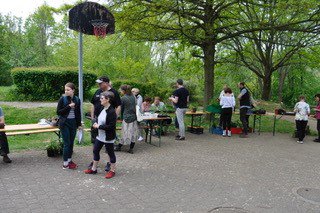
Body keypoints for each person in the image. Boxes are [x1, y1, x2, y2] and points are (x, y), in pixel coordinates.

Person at [89, 76, 121, 169]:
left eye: (100, 83)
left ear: (106, 83)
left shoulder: (114, 93)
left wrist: (114, 118)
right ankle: (94, 161)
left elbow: (118, 106)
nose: (98, 84)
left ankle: (109, 163)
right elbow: (93, 105)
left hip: (107, 122)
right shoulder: (97, 91)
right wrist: (92, 118)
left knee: (108, 146)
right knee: (95, 144)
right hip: (97, 121)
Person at [84, 92, 117, 179]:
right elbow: (100, 119)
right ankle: (94, 169)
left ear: (108, 99)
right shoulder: (102, 108)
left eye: (102, 98)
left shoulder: (112, 112)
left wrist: (99, 126)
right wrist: (96, 123)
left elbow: (111, 126)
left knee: (110, 153)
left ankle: (112, 170)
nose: (100, 99)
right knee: (95, 150)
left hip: (108, 137)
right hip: (100, 136)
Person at [57, 82, 82, 169]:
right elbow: (58, 112)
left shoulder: (77, 99)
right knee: (67, 143)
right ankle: (65, 164)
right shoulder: (62, 99)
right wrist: (69, 106)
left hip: (73, 123)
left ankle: (69, 160)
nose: (66, 91)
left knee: (71, 143)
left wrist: (79, 124)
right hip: (64, 123)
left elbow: (78, 113)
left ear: (73, 90)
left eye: (68, 90)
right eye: (65, 90)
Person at [115, 85, 139, 154]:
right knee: (133, 133)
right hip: (134, 117)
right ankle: (131, 148)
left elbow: (121, 109)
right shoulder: (134, 97)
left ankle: (119, 147)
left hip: (126, 118)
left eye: (121, 90)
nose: (120, 91)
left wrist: (121, 117)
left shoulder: (123, 98)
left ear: (124, 91)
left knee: (124, 133)